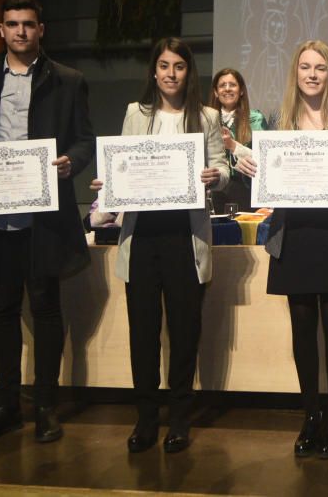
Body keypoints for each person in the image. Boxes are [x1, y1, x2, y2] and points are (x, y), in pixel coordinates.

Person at [0, 0, 95, 445]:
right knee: (1, 309)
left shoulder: (67, 80)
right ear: (1, 30)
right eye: (13, 24)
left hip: (44, 217)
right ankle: (5, 407)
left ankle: (45, 407)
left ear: (41, 30)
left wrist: (69, 164)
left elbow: (84, 142)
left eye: (29, 24)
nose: (21, 31)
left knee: (45, 307)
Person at [236, 39, 328, 459]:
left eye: (321, 68)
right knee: (301, 327)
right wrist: (248, 171)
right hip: (294, 234)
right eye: (305, 67)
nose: (312, 75)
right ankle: (309, 414)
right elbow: (264, 184)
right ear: (295, 73)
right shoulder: (278, 118)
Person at [92, 38, 229, 454]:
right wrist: (108, 182)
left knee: (185, 331)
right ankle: (146, 419)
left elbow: (223, 169)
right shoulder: (136, 113)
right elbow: (123, 164)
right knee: (144, 332)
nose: (171, 73)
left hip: (184, 237)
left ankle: (180, 419)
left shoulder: (205, 116)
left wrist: (214, 177)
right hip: (144, 236)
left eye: (180, 67)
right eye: (164, 66)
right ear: (154, 71)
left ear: (190, 72)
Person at [209, 68, 267, 211]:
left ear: (241, 91)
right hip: (216, 190)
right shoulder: (207, 119)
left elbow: (263, 160)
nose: (227, 89)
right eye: (222, 85)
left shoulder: (255, 119)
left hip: (246, 189)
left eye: (232, 85)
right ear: (216, 92)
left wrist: (232, 145)